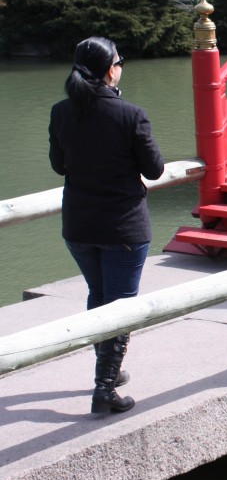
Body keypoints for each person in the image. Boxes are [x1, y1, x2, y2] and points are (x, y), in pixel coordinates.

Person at [48, 37, 164, 414]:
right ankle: (104, 389)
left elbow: (58, 165)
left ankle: (108, 372)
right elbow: (154, 169)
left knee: (99, 297)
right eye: (120, 61)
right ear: (109, 69)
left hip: (79, 226)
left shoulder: (61, 112)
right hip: (123, 229)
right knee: (120, 307)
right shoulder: (130, 114)